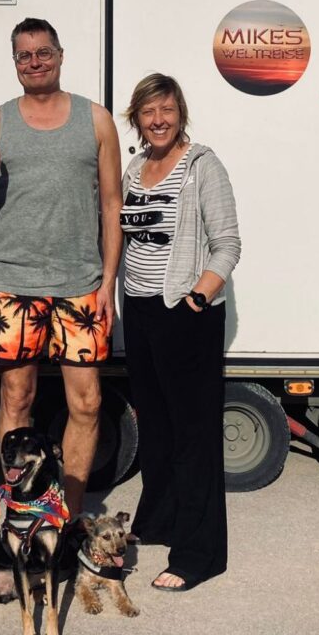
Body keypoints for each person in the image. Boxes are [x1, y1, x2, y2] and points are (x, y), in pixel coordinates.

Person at [0, 17, 123, 515]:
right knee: (16, 398)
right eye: (24, 55)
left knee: (87, 403)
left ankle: (66, 515)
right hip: (13, 281)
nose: (35, 62)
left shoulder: (96, 120)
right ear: (15, 63)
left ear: (60, 55)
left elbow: (111, 204)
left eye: (43, 52)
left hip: (81, 284)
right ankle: (22, 513)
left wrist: (108, 283)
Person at [118, 73, 240, 593]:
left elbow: (228, 244)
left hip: (185, 313)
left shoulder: (202, 166)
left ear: (180, 112)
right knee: (158, 428)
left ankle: (199, 553)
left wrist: (198, 297)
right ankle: (162, 519)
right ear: (137, 118)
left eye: (166, 109)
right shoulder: (135, 168)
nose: (158, 120)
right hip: (141, 312)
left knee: (193, 436)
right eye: (148, 111)